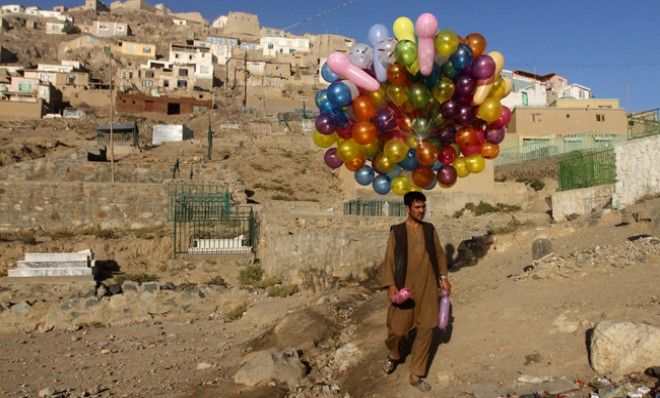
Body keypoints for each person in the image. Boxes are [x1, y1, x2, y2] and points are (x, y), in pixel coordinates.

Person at [381, 191, 451, 393]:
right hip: (405, 289)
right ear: (408, 208)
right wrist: (390, 285)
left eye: (423, 207)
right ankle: (394, 354)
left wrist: (443, 278)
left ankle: (416, 374)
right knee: (396, 329)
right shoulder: (398, 232)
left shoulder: (429, 230)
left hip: (429, 288)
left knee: (427, 329)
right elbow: (389, 260)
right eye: (417, 207)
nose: (422, 211)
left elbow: (439, 254)